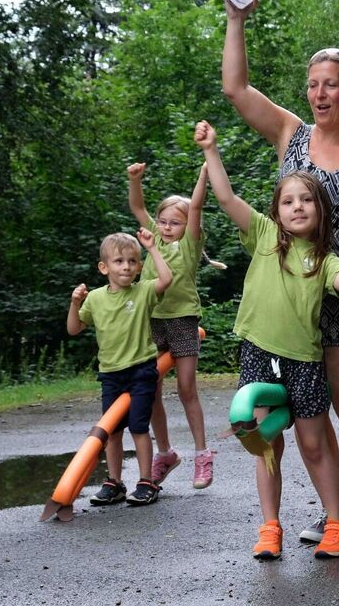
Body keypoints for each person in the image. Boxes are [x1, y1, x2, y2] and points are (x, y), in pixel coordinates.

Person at [222, 0, 339, 543]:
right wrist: (236, 18)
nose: (319, 94)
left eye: (330, 84)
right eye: (312, 85)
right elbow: (236, 89)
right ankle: (333, 513)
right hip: (293, 294)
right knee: (309, 409)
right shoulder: (290, 134)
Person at [195, 119, 339, 560]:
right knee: (267, 443)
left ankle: (337, 523)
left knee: (313, 443)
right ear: (276, 212)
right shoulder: (265, 235)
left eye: (306, 200)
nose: (297, 206)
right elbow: (226, 198)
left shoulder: (325, 259)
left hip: (304, 361)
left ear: (320, 211)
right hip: (258, 352)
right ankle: (270, 527)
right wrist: (211, 151)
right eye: (288, 201)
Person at [127, 162, 218, 489]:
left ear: (186, 225)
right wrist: (134, 180)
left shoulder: (190, 244)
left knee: (186, 387)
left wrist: (204, 174)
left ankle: (202, 454)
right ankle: (165, 453)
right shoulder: (153, 237)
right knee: (149, 390)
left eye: (175, 222)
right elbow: (137, 207)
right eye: (163, 221)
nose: (167, 227)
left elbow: (196, 206)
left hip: (182, 320)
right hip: (152, 321)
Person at [67, 229, 173, 507]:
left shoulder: (143, 291)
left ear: (139, 267)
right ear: (104, 268)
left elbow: (166, 279)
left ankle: (146, 482)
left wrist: (152, 248)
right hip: (111, 374)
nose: (126, 266)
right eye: (119, 261)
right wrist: (75, 303)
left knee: (138, 427)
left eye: (132, 261)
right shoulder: (95, 298)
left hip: (141, 371)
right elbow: (74, 328)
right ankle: (114, 483)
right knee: (112, 431)